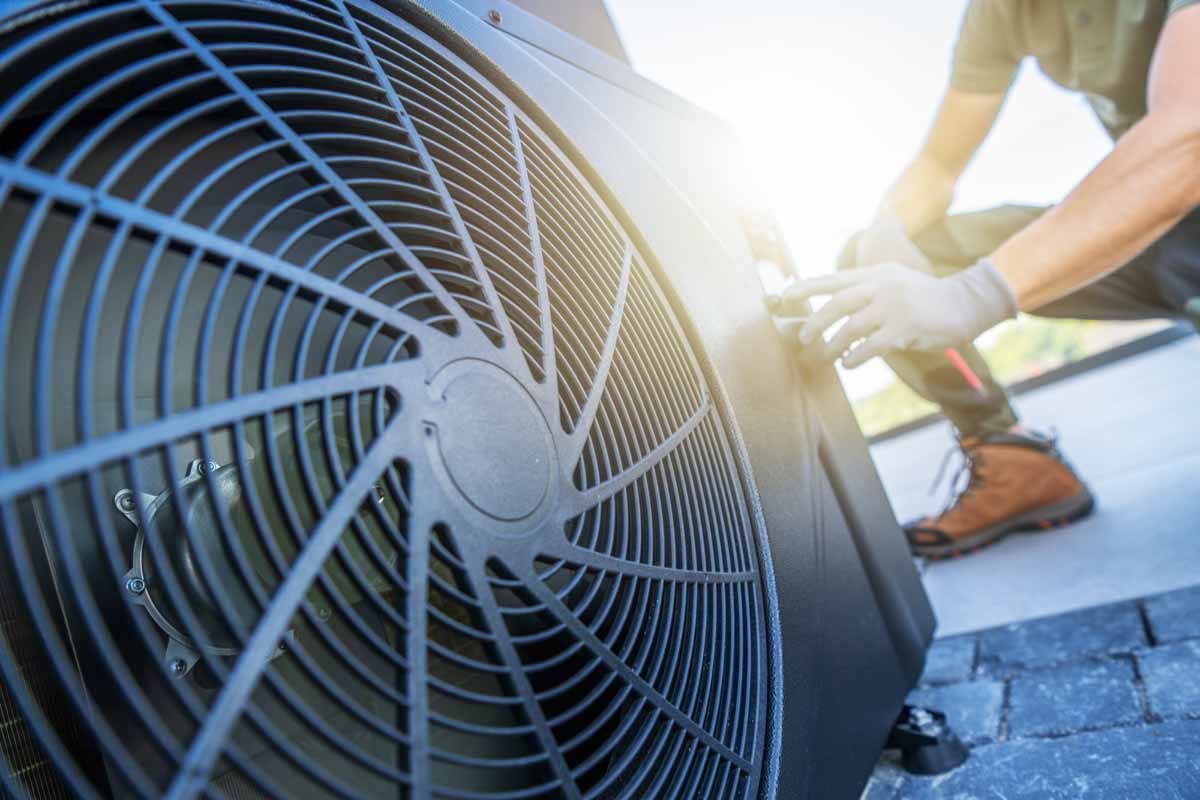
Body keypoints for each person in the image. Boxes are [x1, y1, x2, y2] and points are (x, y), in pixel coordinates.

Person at [769, 0, 1200, 560]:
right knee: (879, 252)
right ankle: (1015, 462)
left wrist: (975, 295)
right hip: (1158, 243)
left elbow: (1187, 137)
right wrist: (885, 231)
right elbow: (938, 166)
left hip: (1180, 199)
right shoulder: (1001, 10)